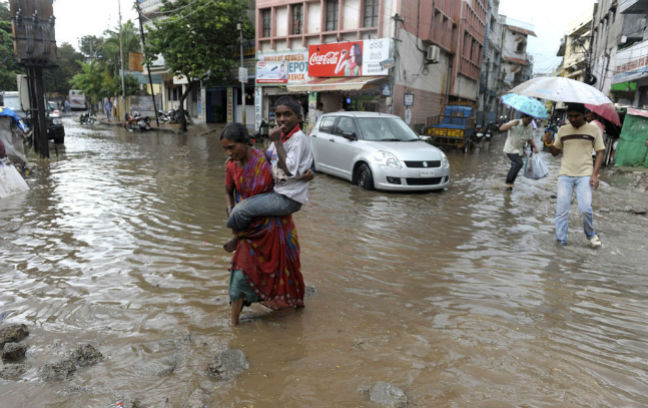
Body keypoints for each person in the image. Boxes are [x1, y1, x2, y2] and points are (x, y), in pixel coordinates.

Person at [220, 123, 305, 325]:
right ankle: (234, 326)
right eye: (226, 150)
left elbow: (289, 175)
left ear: (246, 142)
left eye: (232, 147)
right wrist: (232, 213)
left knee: (287, 272)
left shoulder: (267, 159)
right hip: (248, 231)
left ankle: (299, 311)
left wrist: (305, 175)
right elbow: (227, 192)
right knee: (240, 275)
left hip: (276, 228)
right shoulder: (231, 166)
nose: (229, 153)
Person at [224, 95, 314, 252]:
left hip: (287, 197)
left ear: (299, 118)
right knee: (244, 208)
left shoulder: (297, 139)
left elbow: (288, 170)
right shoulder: (284, 137)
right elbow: (267, 155)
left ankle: (238, 237)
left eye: (287, 114)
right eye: (278, 115)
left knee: (240, 210)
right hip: (279, 192)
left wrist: (277, 141)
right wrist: (237, 155)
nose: (281, 119)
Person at [543, 103, 605, 248]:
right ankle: (561, 241)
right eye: (570, 116)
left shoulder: (593, 130)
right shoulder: (563, 130)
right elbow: (555, 152)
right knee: (562, 210)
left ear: (584, 115)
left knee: (585, 209)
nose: (573, 119)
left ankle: (590, 235)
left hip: (585, 174)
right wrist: (548, 141)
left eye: (576, 116)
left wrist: (595, 175)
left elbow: (600, 151)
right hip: (565, 174)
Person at [499, 113, 539, 189]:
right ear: (524, 117)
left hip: (519, 150)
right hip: (510, 148)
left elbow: (530, 138)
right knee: (519, 163)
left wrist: (535, 147)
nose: (530, 121)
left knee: (515, 165)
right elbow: (501, 128)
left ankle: (510, 184)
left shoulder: (529, 126)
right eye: (529, 119)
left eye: (531, 120)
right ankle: (508, 182)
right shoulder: (515, 122)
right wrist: (511, 125)